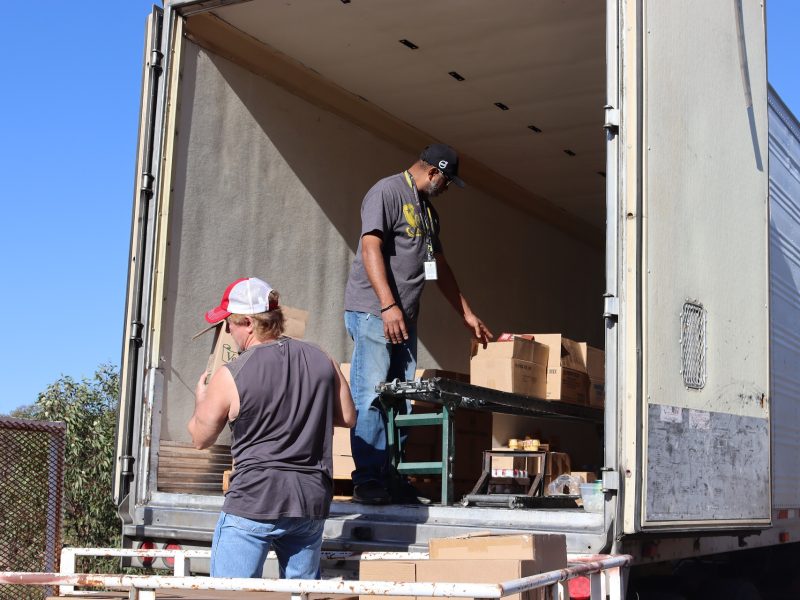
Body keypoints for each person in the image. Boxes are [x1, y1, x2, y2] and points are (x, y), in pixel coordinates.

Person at [344, 143, 493, 505]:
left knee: (403, 400)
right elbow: (370, 248)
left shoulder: (428, 213)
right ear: (433, 172)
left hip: (404, 320)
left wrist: (467, 313)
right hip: (375, 312)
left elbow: (437, 267)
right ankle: (368, 479)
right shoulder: (387, 191)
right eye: (447, 181)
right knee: (372, 395)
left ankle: (392, 478)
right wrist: (388, 305)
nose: (447, 188)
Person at [189, 276, 355, 579]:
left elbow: (200, 438)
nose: (227, 331)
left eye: (229, 323)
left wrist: (202, 399)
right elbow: (347, 416)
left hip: (255, 498)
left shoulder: (231, 374)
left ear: (249, 323)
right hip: (309, 501)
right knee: (302, 593)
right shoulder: (322, 358)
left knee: (230, 595)